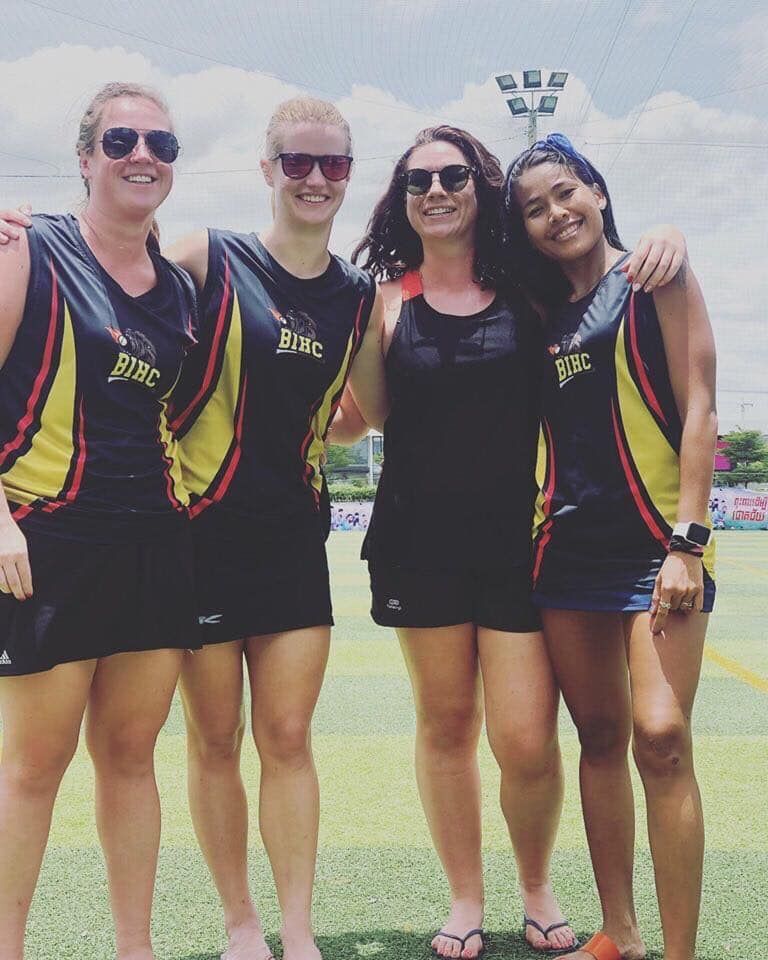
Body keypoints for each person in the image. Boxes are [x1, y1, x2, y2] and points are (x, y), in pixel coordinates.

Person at [335, 124, 687, 960]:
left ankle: (536, 887)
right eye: (418, 179)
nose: (437, 190)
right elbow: (361, 419)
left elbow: (596, 278)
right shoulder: (380, 302)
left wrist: (663, 236)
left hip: (523, 544)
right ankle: (465, 898)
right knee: (447, 725)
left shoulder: (527, 292)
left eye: (454, 175)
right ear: (401, 198)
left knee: (526, 739)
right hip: (414, 545)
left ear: (479, 189)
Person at [162, 97, 382, 960]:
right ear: (268, 171)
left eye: (334, 165)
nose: (317, 179)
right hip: (196, 537)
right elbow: (106, 284)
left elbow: (369, 412)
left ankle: (298, 932)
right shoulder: (207, 255)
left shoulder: (359, 296)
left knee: (287, 738)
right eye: (298, 162)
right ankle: (241, 926)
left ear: (349, 176)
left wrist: (315, 421)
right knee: (213, 740)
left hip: (293, 538)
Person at [503, 133, 716, 960]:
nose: (556, 214)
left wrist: (688, 543)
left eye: (566, 193)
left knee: (660, 736)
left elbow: (699, 407)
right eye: (534, 209)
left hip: (663, 549)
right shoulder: (542, 313)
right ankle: (620, 934)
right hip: (565, 552)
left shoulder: (652, 274)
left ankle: (679, 952)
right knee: (598, 737)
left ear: (596, 190)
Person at [0, 82, 198, 960]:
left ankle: (135, 949)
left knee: (130, 755)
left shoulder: (179, 290)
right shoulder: (27, 249)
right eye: (121, 139)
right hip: (46, 540)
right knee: (34, 766)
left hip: (152, 541)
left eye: (160, 141)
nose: (141, 154)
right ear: (86, 157)